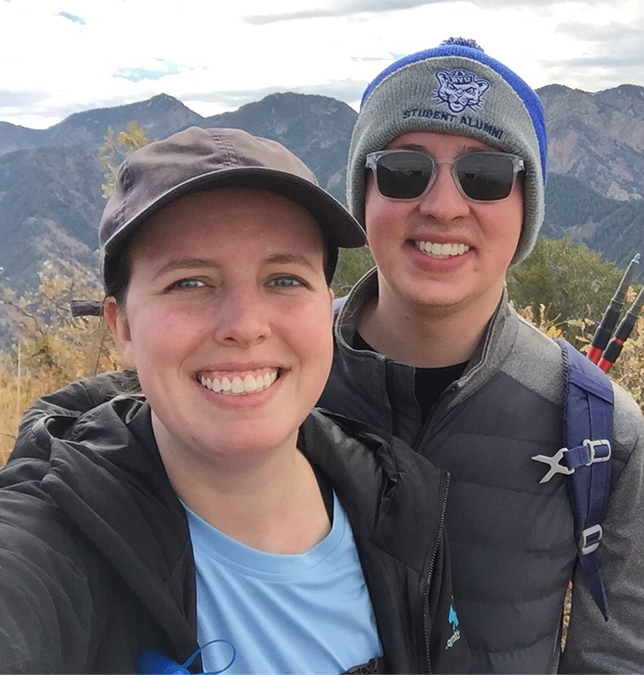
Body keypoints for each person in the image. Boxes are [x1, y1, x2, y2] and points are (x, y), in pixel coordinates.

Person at [0, 127, 469, 674]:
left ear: (329, 308)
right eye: (190, 283)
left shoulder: (400, 507)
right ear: (121, 327)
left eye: (285, 279)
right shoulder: (55, 542)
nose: (245, 327)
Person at [318, 38, 644, 673]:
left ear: (526, 208)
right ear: (363, 193)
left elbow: (629, 661)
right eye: (405, 170)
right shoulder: (271, 375)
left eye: (484, 177)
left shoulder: (597, 430)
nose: (443, 205)